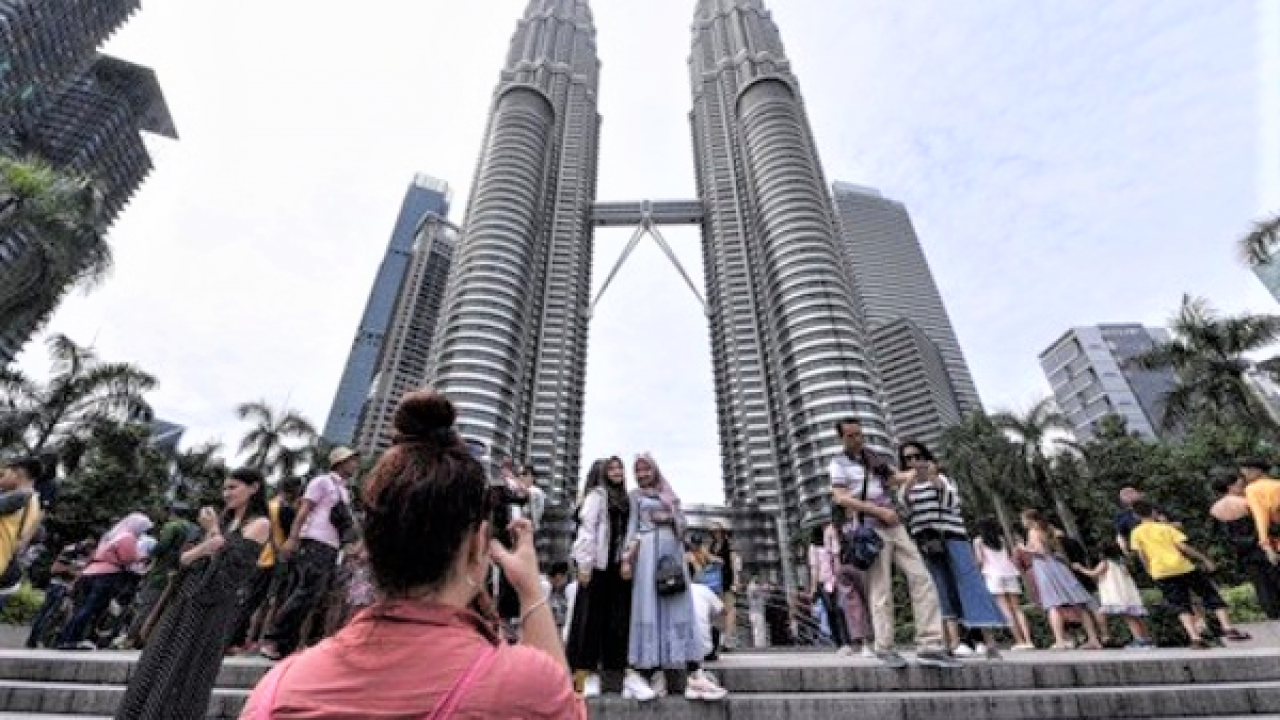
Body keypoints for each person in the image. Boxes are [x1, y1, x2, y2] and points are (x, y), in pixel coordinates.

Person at [238, 389, 585, 719]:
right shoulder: (527, 686)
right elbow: (565, 705)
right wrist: (530, 590)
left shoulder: (274, 691)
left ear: (371, 545)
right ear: (479, 545)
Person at [115, 468, 271, 720]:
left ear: (254, 488)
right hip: (186, 598)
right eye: (225, 488)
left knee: (187, 671)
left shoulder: (259, 524)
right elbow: (185, 559)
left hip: (213, 607)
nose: (226, 493)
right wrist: (209, 543)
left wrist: (212, 534)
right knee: (156, 662)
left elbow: (232, 570)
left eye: (233, 487)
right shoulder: (223, 520)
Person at [829, 419, 957, 669]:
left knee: (922, 578)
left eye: (859, 434)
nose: (857, 439)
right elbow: (841, 498)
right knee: (881, 589)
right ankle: (885, 647)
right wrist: (877, 511)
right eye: (851, 435)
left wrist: (920, 470)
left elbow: (894, 478)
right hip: (871, 529)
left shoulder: (873, 458)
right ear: (841, 438)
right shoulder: (838, 463)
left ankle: (930, 645)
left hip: (895, 525)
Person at [622, 452, 727, 701]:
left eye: (646, 469)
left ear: (655, 470)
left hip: (672, 555)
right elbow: (632, 528)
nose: (642, 474)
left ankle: (694, 674)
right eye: (638, 470)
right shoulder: (635, 496)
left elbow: (683, 525)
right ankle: (654, 671)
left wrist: (669, 518)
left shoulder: (669, 494)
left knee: (677, 606)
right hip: (647, 555)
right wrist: (626, 558)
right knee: (650, 608)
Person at [897, 443, 1007, 659]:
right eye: (908, 459)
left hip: (953, 536)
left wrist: (935, 480)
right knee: (940, 588)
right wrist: (909, 482)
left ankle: (990, 642)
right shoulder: (905, 486)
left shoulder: (943, 479)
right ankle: (953, 642)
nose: (913, 462)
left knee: (971, 585)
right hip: (927, 542)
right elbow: (905, 511)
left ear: (926, 457)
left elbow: (953, 503)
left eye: (917, 456)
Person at [260, 447, 360, 660]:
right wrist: (293, 538)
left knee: (313, 596)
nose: (355, 464)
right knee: (304, 592)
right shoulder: (322, 482)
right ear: (340, 462)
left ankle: (286, 645)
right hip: (314, 542)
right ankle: (273, 639)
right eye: (352, 460)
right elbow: (304, 510)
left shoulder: (344, 490)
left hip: (330, 547)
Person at [1129, 500, 1252, 648]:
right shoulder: (1166, 528)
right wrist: (1204, 559)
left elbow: (1142, 555)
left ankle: (1195, 638)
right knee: (1209, 594)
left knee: (1180, 605)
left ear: (1135, 516)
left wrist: (1149, 570)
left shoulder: (1136, 533)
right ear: (1153, 512)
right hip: (1183, 567)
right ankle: (1228, 628)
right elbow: (1183, 547)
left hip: (1161, 572)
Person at [566, 456, 640, 699]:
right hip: (597, 567)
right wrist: (584, 564)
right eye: (612, 468)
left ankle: (612, 673)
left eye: (620, 467)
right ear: (604, 473)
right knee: (589, 621)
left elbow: (631, 532)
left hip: (618, 569)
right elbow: (587, 530)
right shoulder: (597, 496)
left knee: (616, 621)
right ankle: (583, 676)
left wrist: (627, 560)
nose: (617, 471)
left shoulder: (625, 499)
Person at [58, 512, 152, 650]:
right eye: (143, 528)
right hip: (107, 574)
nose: (143, 532)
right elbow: (127, 558)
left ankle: (64, 639)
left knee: (81, 608)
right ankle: (73, 640)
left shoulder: (111, 535)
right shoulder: (129, 537)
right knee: (90, 609)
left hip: (89, 572)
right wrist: (141, 558)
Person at [228, 477, 300, 653]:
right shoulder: (287, 510)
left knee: (249, 599)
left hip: (258, 555)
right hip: (275, 559)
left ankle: (241, 638)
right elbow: (291, 538)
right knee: (268, 602)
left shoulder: (267, 506)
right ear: (294, 490)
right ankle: (250, 640)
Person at [1020, 509, 1103, 650]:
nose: (1022, 522)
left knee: (1053, 605)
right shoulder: (1049, 528)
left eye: (1023, 519)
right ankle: (1094, 639)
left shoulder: (1033, 532)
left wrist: (1024, 549)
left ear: (1030, 520)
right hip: (1060, 566)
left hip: (1046, 569)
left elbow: (1041, 552)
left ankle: (1060, 641)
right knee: (1079, 604)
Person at [122, 502, 198, 650]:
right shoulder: (194, 528)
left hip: (162, 573)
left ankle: (132, 639)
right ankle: (153, 640)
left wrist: (149, 556)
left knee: (147, 605)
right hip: (183, 574)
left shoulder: (172, 526)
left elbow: (162, 546)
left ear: (172, 513)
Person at [1212, 472, 1280, 618]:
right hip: (1264, 545)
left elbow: (1221, 536)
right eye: (1240, 485)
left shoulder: (1215, 509)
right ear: (1230, 487)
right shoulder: (1246, 502)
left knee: (1261, 584)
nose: (1243, 487)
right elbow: (1264, 523)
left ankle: (1273, 614)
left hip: (1243, 552)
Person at [1077, 540, 1154, 649]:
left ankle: (1139, 640)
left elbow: (1093, 573)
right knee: (1136, 617)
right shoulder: (1121, 562)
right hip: (1128, 594)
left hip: (1118, 595)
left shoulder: (1105, 563)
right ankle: (1146, 638)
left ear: (1103, 553)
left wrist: (1080, 568)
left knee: (1129, 618)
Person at [972, 518, 1034, 651]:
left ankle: (1019, 641)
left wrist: (975, 571)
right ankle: (1029, 641)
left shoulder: (978, 541)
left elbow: (980, 560)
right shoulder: (1001, 539)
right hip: (1009, 573)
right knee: (1017, 609)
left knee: (1005, 610)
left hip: (993, 575)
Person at [26, 537, 94, 648]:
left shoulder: (91, 555)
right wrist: (73, 571)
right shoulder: (70, 550)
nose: (92, 553)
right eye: (91, 550)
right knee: (47, 613)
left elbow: (82, 573)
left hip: (71, 588)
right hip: (58, 585)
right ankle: (34, 640)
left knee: (63, 615)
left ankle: (50, 640)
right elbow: (55, 569)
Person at [0, 457, 44, 604]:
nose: (1, 478)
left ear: (18, 473)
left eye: (3, 474)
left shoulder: (18, 496)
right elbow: (38, 535)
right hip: (7, 575)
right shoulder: (34, 501)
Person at [1240, 459, 1280, 567]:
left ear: (1257, 470)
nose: (1245, 477)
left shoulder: (1252, 489)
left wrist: (1266, 547)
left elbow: (1261, 517)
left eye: (1246, 473)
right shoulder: (1278, 484)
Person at [707, 523, 740, 650]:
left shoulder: (728, 545)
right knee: (717, 611)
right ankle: (718, 640)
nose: (716, 534)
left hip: (726, 581)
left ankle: (728, 639)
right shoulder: (712, 546)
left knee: (730, 610)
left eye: (718, 531)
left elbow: (734, 564)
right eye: (714, 532)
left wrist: (735, 582)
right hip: (714, 582)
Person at [519, 465, 546, 530]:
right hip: (522, 528)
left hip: (529, 529)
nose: (521, 476)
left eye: (524, 474)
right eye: (519, 474)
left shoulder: (536, 490)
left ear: (533, 477)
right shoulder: (523, 491)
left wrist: (512, 478)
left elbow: (528, 493)